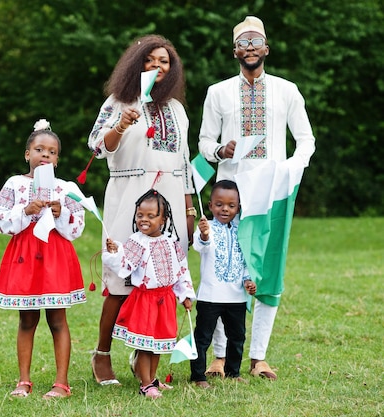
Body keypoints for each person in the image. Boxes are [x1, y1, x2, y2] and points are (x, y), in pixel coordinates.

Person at [197, 16, 316, 380]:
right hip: (230, 194)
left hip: (275, 191)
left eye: (255, 42)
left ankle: (258, 357)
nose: (249, 48)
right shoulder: (218, 92)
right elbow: (203, 143)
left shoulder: (287, 90)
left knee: (268, 269)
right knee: (225, 268)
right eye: (243, 43)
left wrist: (290, 170)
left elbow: (306, 140)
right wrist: (220, 150)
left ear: (266, 48)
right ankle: (219, 356)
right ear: (235, 51)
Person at [87, 34, 196, 387]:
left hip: (169, 198)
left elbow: (183, 162)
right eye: (151, 60)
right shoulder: (118, 101)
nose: (158, 66)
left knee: (160, 282)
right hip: (129, 195)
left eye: (164, 61)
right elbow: (97, 147)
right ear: (137, 64)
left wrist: (189, 209)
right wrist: (121, 124)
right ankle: (102, 355)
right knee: (121, 283)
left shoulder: (177, 110)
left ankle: (144, 357)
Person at [0, 119, 86, 399]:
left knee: (58, 320)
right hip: (26, 257)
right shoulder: (15, 184)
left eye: (52, 152)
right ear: (27, 154)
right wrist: (25, 211)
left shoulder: (65, 188)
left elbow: (77, 226)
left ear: (57, 159)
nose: (45, 155)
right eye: (40, 149)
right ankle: (23, 381)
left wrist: (61, 214)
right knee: (27, 319)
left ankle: (61, 383)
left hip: (55, 256)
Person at [102, 189, 195, 398]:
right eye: (140, 215)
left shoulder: (172, 242)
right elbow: (125, 265)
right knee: (145, 345)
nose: (144, 220)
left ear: (163, 219)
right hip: (145, 301)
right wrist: (115, 252)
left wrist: (185, 294)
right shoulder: (136, 241)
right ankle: (145, 383)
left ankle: (152, 379)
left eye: (151, 216)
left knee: (158, 344)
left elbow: (181, 270)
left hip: (166, 300)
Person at [189, 180, 257, 389]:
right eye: (219, 204)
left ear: (238, 207)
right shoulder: (206, 226)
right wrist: (203, 234)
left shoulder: (242, 231)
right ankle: (198, 376)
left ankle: (233, 372)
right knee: (203, 338)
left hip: (236, 297)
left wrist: (248, 280)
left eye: (231, 205)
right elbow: (201, 246)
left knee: (237, 337)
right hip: (210, 296)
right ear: (210, 206)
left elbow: (244, 260)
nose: (225, 209)